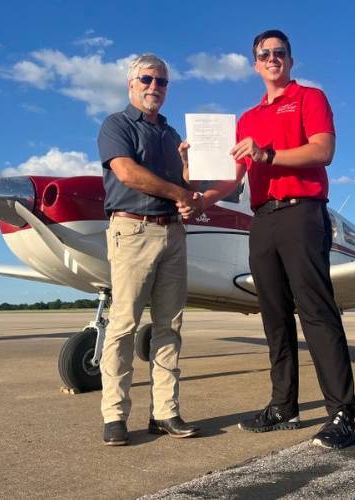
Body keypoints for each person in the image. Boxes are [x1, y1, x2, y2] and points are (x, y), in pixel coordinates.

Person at [189, 30, 355, 449]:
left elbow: (323, 150)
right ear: (255, 64)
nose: (272, 59)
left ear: (290, 59)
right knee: (274, 317)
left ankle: (342, 413)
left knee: (315, 311)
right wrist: (195, 192)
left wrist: (268, 155)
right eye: (264, 54)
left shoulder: (309, 98)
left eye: (279, 53)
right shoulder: (245, 120)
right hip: (262, 219)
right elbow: (233, 179)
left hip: (302, 212)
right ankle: (284, 406)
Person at [97, 53, 202, 446]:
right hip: (132, 230)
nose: (154, 87)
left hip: (173, 233)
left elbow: (187, 184)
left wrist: (189, 169)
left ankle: (165, 412)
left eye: (161, 82)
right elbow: (126, 172)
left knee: (169, 327)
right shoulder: (116, 125)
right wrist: (180, 192)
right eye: (147, 79)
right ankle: (115, 415)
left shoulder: (173, 136)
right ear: (131, 84)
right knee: (123, 325)